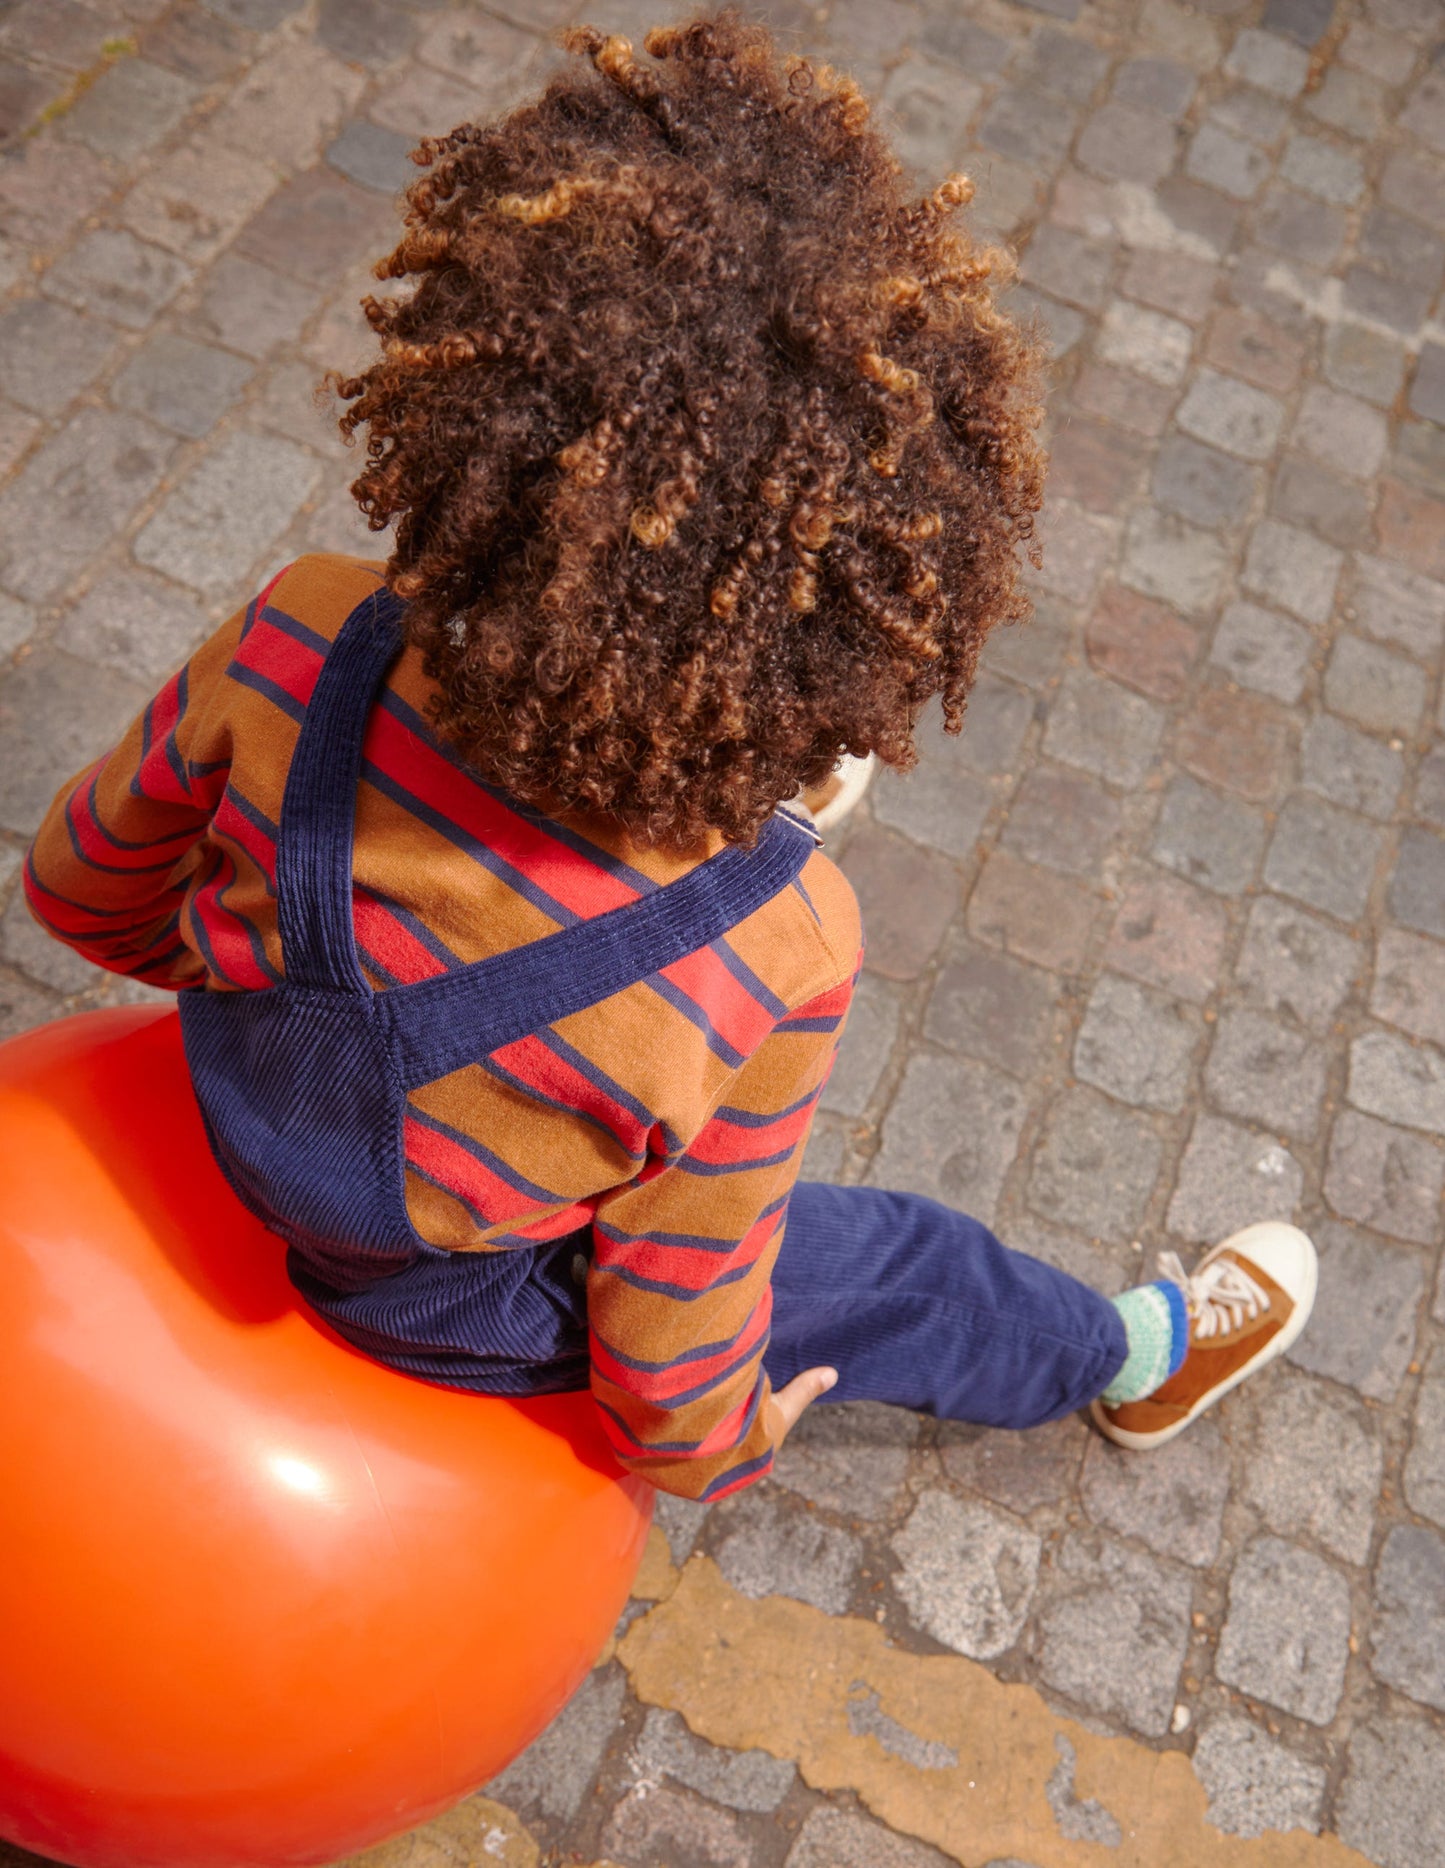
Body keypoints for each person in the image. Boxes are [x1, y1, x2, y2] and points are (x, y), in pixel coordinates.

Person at [24, 12, 1315, 1503]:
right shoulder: (776, 939)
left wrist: (283, 987)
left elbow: (80, 890)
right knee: (900, 1262)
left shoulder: (302, 629)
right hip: (451, 1307)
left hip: (220, 1116)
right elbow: (673, 1310)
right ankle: (1132, 1355)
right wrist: (704, 1449)